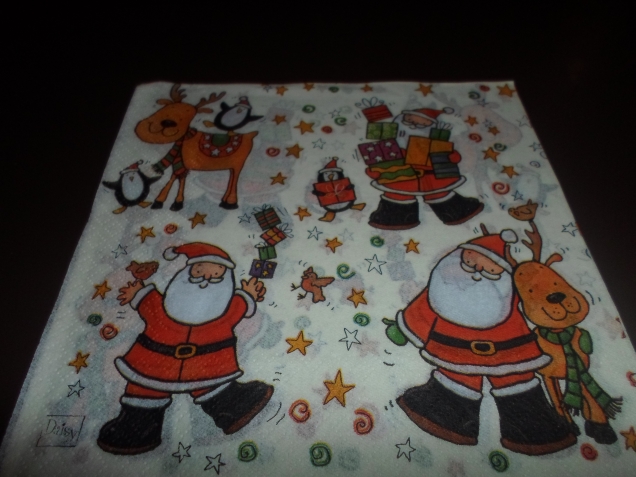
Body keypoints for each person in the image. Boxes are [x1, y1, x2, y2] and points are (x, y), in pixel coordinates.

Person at [384, 226, 576, 455]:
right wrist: (403, 329)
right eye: (469, 264)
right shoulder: (444, 290)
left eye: (490, 271)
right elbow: (422, 311)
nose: (477, 273)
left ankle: (536, 432)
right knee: (456, 381)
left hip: (509, 350)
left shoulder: (507, 298)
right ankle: (446, 421)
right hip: (455, 349)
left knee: (517, 384)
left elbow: (533, 303)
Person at [97, 242, 272, 455]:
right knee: (145, 393)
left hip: (206, 368)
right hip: (155, 364)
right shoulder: (163, 308)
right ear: (185, 274)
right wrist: (137, 292)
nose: (205, 279)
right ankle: (137, 430)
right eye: (198, 272)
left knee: (215, 389)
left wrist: (247, 294)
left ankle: (232, 409)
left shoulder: (222, 312)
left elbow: (237, 306)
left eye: (215, 274)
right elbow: (149, 303)